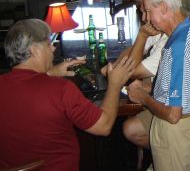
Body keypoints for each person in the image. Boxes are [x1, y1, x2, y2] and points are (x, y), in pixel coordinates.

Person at [0, 19, 134, 170]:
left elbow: (23, 88)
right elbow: (103, 127)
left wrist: (50, 72)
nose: (53, 49)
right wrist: (115, 85)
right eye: (48, 44)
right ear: (34, 49)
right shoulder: (61, 89)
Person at [125, 0, 190, 171]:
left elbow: (173, 115)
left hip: (176, 130)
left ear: (164, 7)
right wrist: (151, 90)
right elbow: (186, 82)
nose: (146, 19)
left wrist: (143, 98)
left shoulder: (178, 47)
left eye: (149, 12)